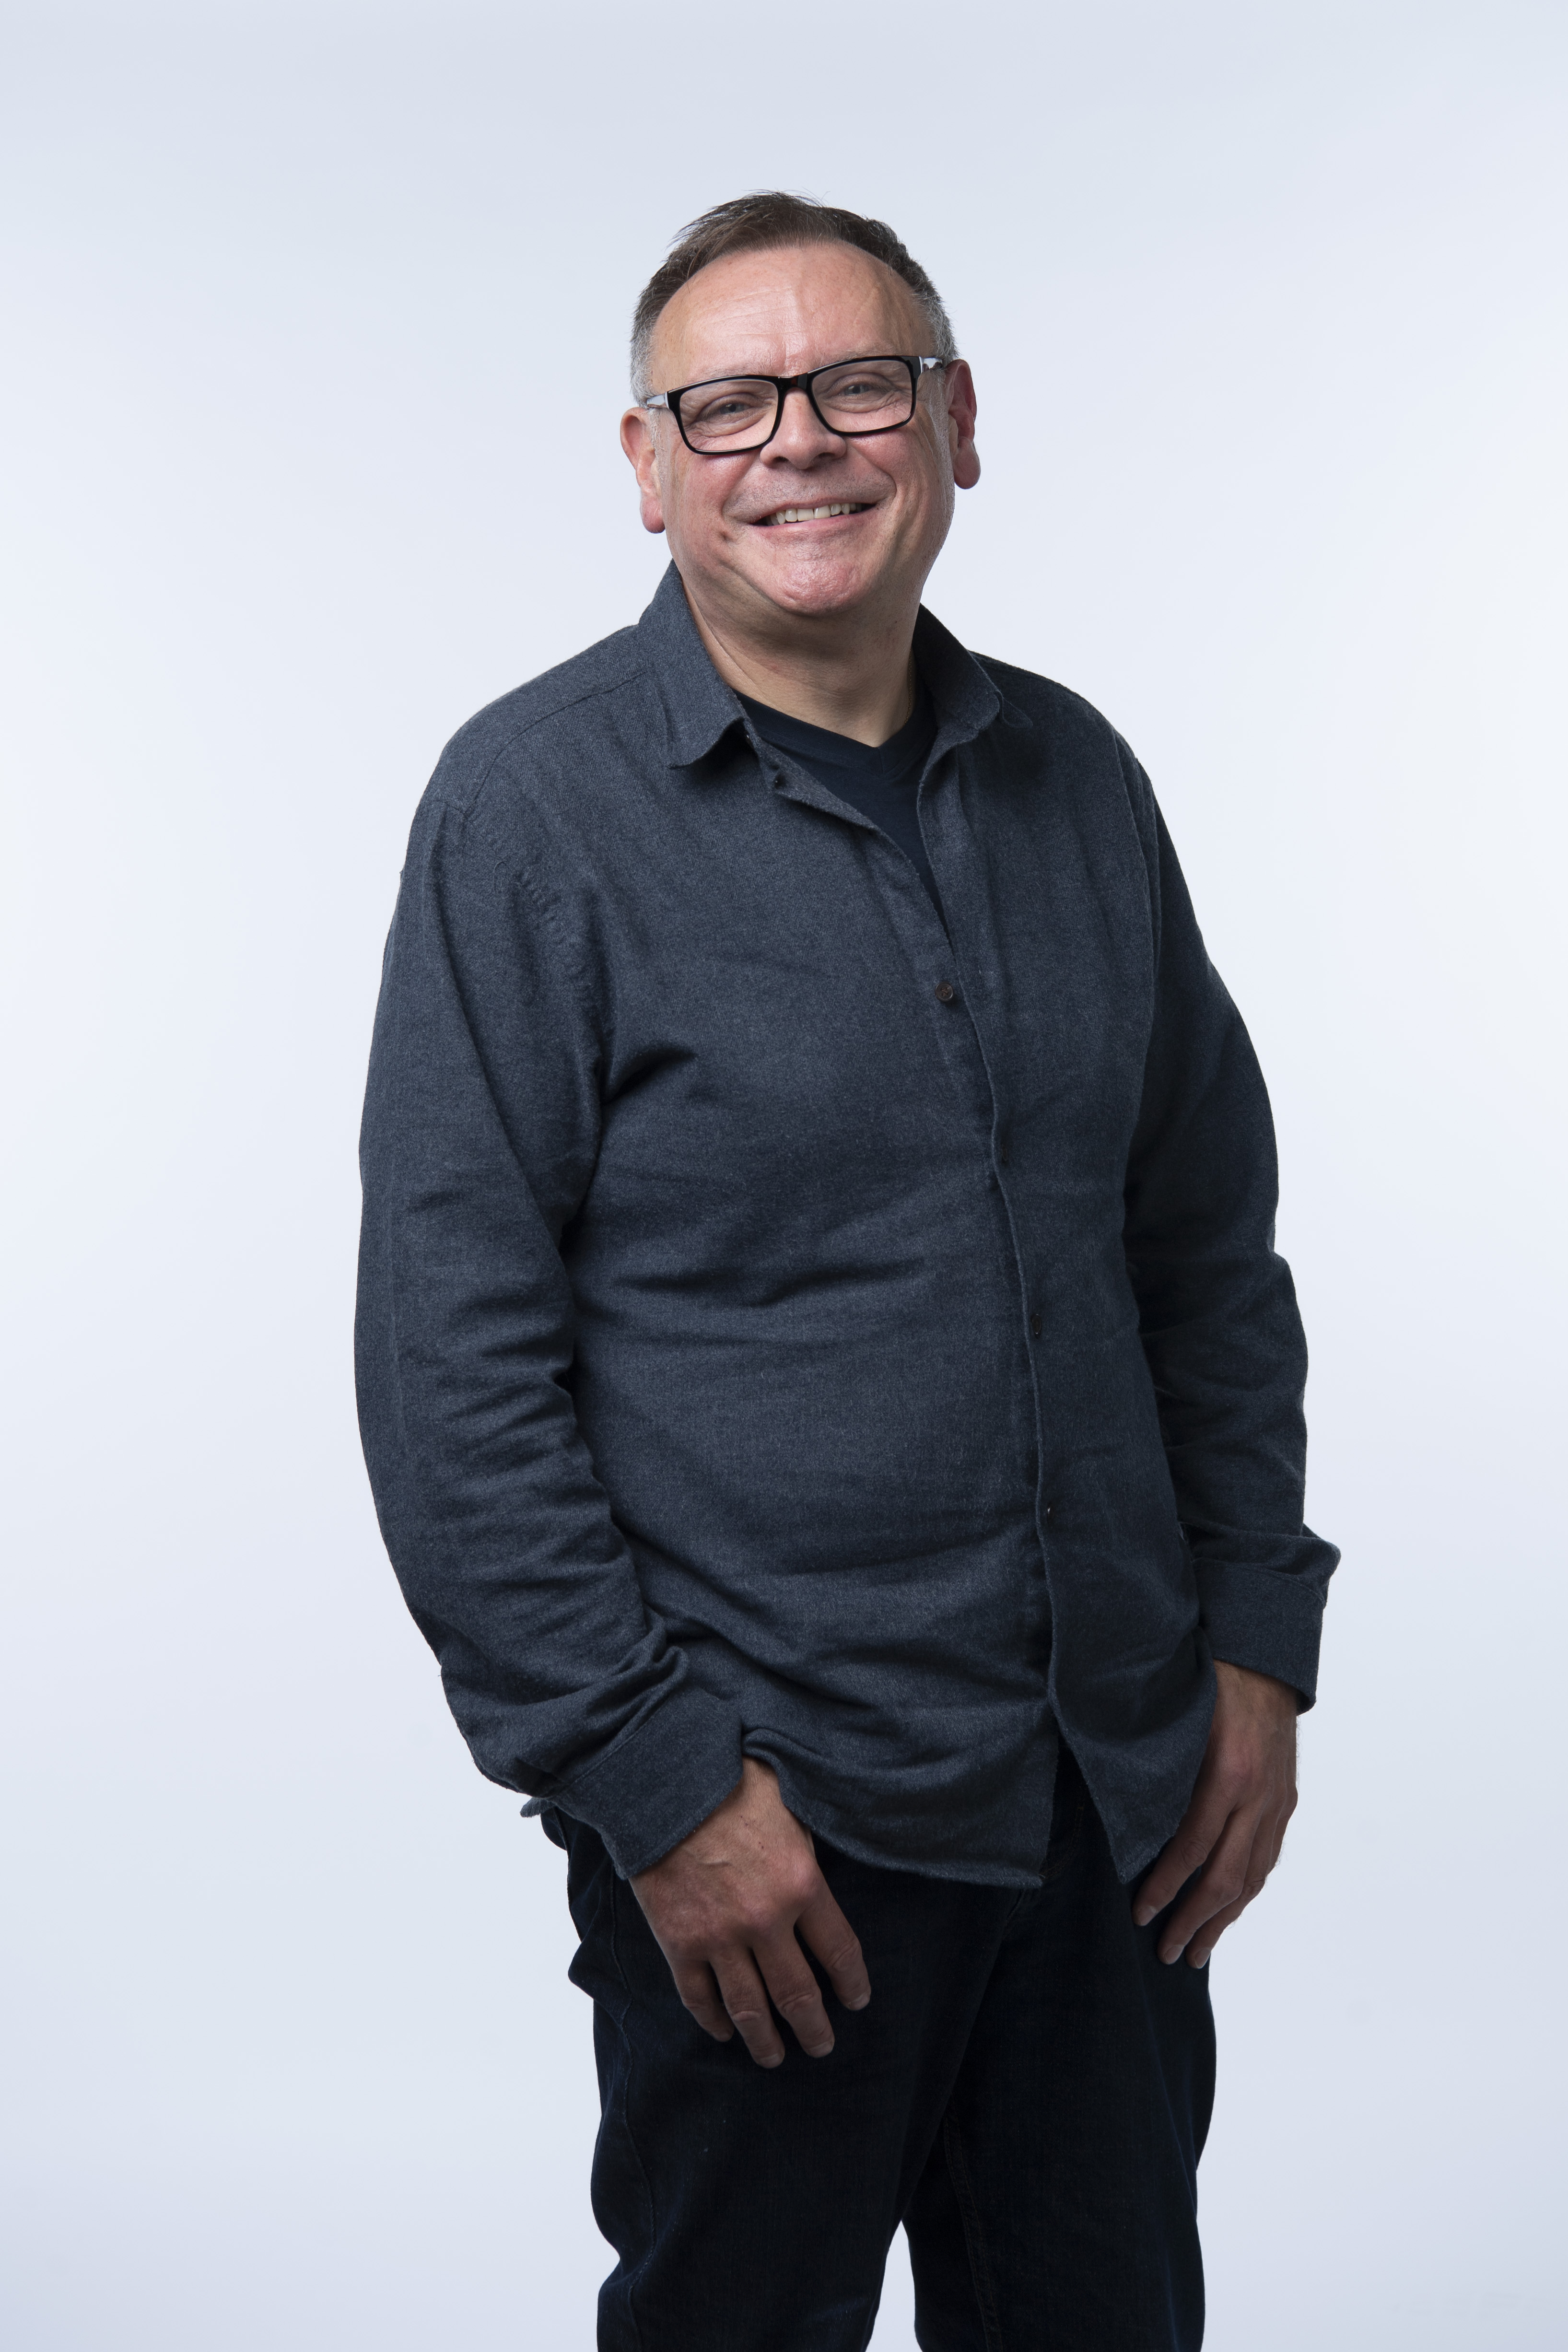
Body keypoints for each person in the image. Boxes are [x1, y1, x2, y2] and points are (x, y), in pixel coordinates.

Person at [355, 192, 1338, 2352]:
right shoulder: (529, 813)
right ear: (648, 466)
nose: (797, 439)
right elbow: (452, 1367)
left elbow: (1201, 1250)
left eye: (857, 384)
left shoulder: (1079, 781)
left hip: (1110, 1804)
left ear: (955, 422)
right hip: (774, 1827)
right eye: (728, 403)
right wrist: (655, 1790)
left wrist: (1256, 1644)